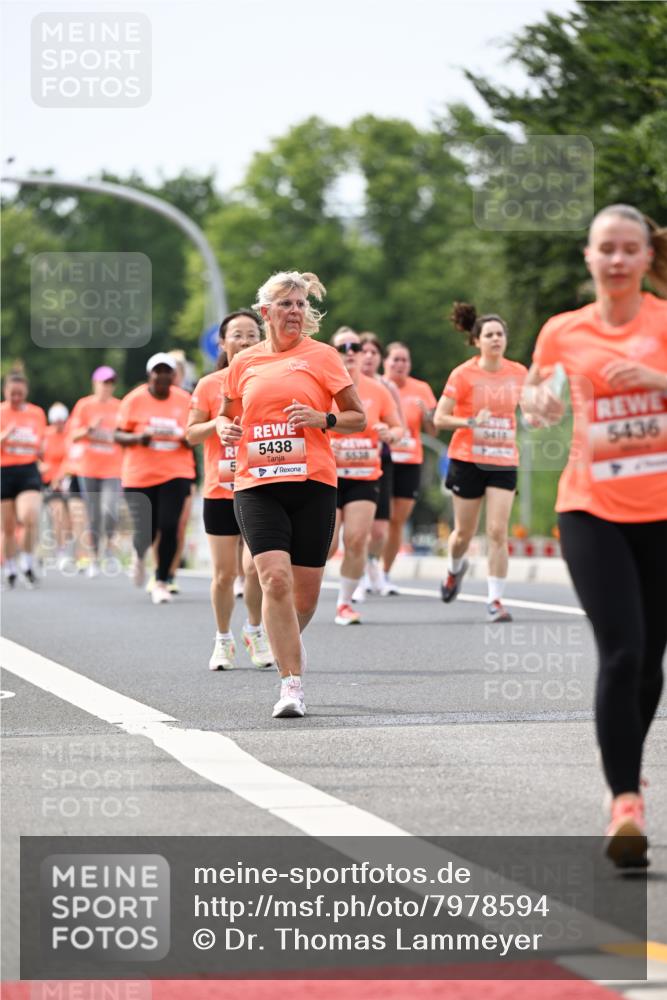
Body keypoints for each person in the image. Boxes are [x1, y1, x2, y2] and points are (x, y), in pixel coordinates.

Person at [522, 204, 667, 868]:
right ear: (588, 256)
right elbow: (531, 393)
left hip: (661, 512)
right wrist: (538, 403)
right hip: (590, 508)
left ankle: (625, 775)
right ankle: (624, 803)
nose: (615, 259)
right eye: (604, 248)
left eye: (626, 249)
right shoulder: (562, 331)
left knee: (649, 662)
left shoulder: (663, 322)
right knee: (620, 650)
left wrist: (657, 382)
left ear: (644, 257)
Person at [218, 271, 365, 718]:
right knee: (273, 579)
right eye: (286, 304)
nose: (295, 312)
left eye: (301, 304)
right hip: (257, 484)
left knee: (304, 598)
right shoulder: (244, 362)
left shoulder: (322, 357)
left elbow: (357, 417)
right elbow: (226, 415)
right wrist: (226, 428)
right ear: (266, 313)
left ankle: (285, 648)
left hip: (313, 484)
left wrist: (324, 419)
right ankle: (292, 685)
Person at [188, 309, 274, 670]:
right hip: (221, 489)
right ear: (222, 343)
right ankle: (222, 639)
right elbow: (190, 433)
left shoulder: (270, 380)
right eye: (237, 335)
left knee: (254, 568)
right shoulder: (210, 385)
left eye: (252, 334)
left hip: (261, 487)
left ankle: (254, 630)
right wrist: (217, 426)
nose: (244, 341)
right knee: (224, 574)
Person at [434, 303, 528, 622]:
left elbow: (529, 409)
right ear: (477, 341)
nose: (496, 339)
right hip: (467, 459)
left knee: (497, 531)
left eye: (500, 334)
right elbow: (440, 417)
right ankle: (454, 569)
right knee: (464, 533)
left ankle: (495, 600)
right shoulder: (463, 374)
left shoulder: (518, 372)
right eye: (489, 335)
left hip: (503, 459)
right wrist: (470, 422)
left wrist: (538, 415)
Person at [327, 328, 403, 624]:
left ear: (362, 353)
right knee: (328, 545)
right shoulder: (322, 388)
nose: (349, 351)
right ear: (331, 352)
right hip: (328, 476)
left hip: (364, 475)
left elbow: (399, 429)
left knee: (358, 539)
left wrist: (390, 433)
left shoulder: (377, 390)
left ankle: (344, 603)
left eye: (355, 346)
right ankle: (300, 592)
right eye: (342, 346)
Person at [115, 353, 196, 605]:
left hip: (176, 471)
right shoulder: (134, 399)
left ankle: (161, 580)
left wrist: (186, 438)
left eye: (167, 372)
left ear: (173, 376)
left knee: (169, 525)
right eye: (157, 371)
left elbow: (195, 433)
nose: (162, 376)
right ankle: (139, 555)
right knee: (146, 529)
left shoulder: (185, 400)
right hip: (140, 474)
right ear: (150, 374)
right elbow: (118, 435)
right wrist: (140, 438)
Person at [381, 342, 437, 594]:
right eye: (395, 360)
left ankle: (384, 573)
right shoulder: (378, 386)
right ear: (386, 362)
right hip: (382, 460)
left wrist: (428, 416)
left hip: (410, 461)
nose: (399, 365)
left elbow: (434, 431)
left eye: (404, 360)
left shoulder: (421, 389)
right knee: (379, 520)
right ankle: (367, 570)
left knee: (397, 521)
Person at [356, 332, 405, 599]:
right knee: (357, 527)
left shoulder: (387, 388)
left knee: (379, 528)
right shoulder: (345, 383)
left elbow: (401, 429)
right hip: (347, 463)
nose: (368, 356)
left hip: (380, 459)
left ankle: (373, 563)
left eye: (374, 352)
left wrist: (390, 432)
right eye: (364, 351)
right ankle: (359, 572)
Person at [68, 366, 123, 577]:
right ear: (95, 384)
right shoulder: (84, 406)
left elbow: (128, 434)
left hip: (112, 469)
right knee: (93, 515)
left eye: (111, 383)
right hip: (88, 468)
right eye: (103, 382)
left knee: (110, 510)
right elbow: (73, 436)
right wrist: (90, 429)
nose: (107, 387)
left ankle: (108, 550)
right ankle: (93, 557)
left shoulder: (120, 406)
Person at [0, 371, 46, 588]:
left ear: (26, 392)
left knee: (29, 516)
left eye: (20, 394)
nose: (16, 398)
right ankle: (9, 567)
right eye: (12, 394)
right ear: (5, 392)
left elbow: (41, 443)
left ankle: (27, 561)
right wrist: (4, 436)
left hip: (28, 469)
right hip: (4, 471)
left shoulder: (36, 413)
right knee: (7, 528)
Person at [40, 402, 72, 570]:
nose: (59, 424)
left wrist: (61, 476)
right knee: (58, 514)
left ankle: (70, 549)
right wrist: (40, 466)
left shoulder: (70, 434)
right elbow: (36, 454)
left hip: (66, 479)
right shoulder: (45, 435)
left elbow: (71, 457)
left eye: (62, 421)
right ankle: (61, 551)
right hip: (49, 482)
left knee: (71, 518)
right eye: (56, 421)